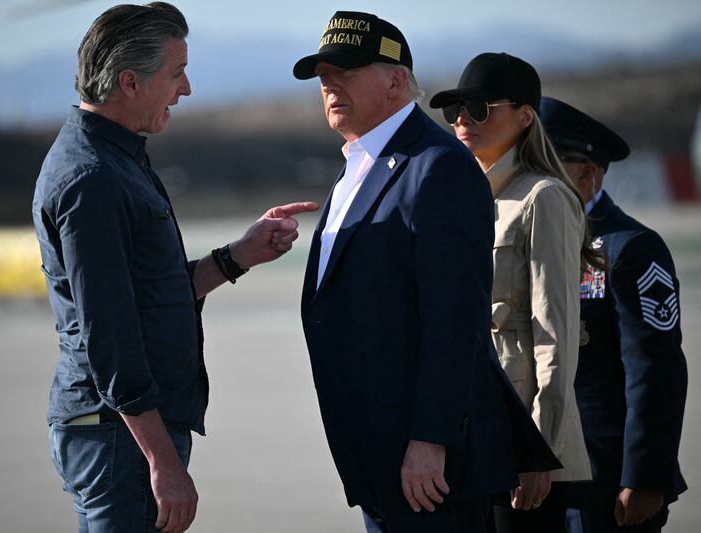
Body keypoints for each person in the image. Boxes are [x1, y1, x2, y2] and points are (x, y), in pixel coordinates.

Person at [32, 3, 317, 532]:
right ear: (130, 82)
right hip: (119, 438)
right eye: (176, 73)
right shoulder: (91, 178)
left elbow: (150, 295)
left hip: (122, 433)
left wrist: (239, 256)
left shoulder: (114, 158)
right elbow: (111, 337)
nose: (185, 90)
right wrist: (161, 461)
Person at [295, 13, 560, 533]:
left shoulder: (438, 167)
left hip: (427, 466)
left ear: (396, 80)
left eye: (346, 70)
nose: (330, 84)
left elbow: (457, 320)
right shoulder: (361, 165)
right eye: (323, 74)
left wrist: (431, 438)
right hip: (378, 453)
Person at [430, 53, 596, 533]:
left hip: (520, 431)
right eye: (455, 109)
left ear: (524, 116)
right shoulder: (467, 195)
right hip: (469, 424)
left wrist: (540, 447)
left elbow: (555, 332)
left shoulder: (544, 196)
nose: (463, 119)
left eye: (480, 108)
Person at [539, 96, 688, 533]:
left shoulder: (628, 249)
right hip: (543, 476)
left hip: (605, 484)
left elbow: (655, 370)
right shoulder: (537, 238)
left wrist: (644, 476)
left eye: (545, 165)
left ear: (587, 173)